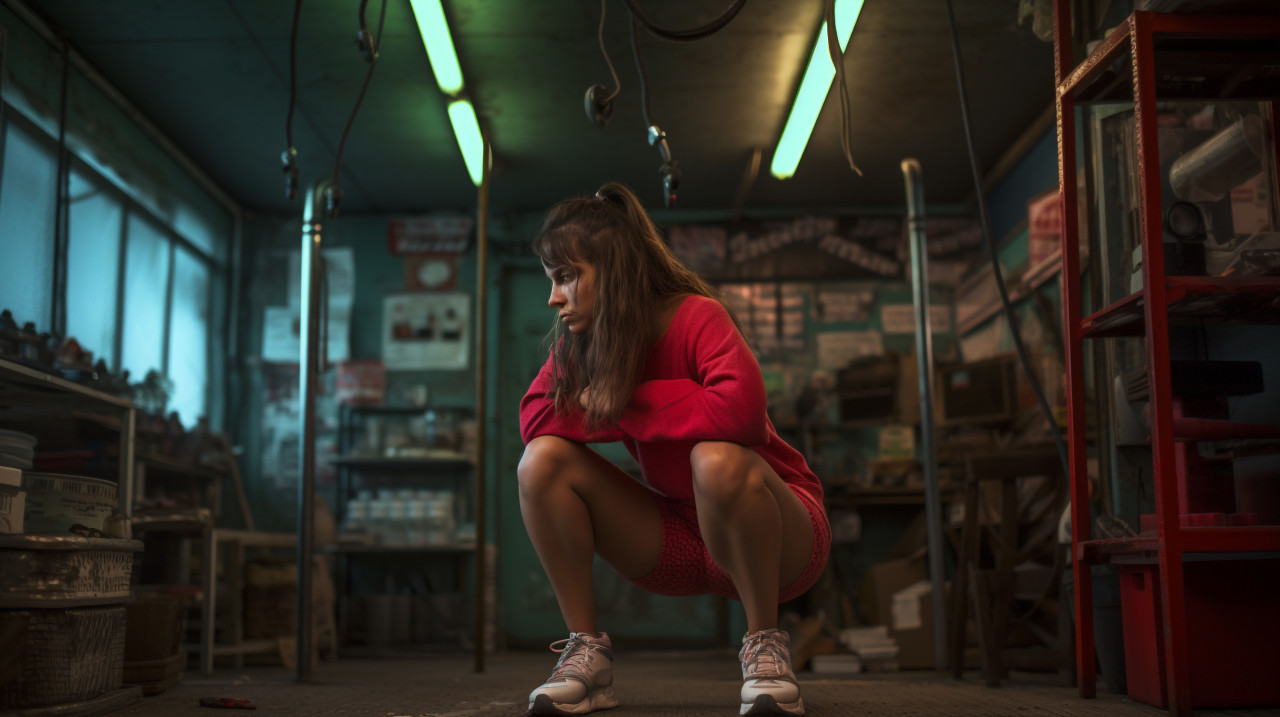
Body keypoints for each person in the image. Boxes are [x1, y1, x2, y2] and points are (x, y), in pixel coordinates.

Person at [517, 182, 830, 716]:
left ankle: (764, 644)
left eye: (566, 277)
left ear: (612, 268)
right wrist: (655, 403)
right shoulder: (583, 344)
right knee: (541, 460)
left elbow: (739, 413)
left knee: (715, 456)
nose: (554, 298)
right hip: (680, 542)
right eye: (553, 280)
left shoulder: (695, 316)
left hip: (780, 541)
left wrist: (622, 400)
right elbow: (536, 417)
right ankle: (586, 652)